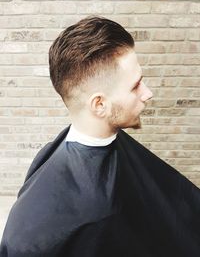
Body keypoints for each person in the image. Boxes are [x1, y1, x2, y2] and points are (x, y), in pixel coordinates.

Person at [0, 16, 200, 257]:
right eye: (136, 86)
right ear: (99, 105)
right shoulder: (96, 213)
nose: (148, 94)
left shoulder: (56, 151)